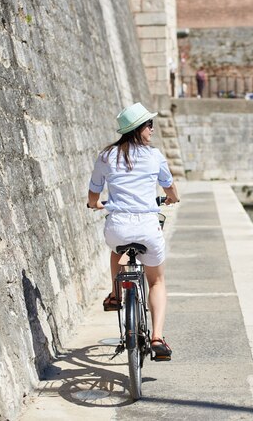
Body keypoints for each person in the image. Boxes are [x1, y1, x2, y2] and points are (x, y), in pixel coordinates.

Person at [87, 102, 180, 361]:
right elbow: (170, 188)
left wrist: (95, 204)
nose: (152, 129)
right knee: (157, 281)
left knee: (117, 251)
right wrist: (172, 198)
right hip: (147, 228)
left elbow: (94, 191)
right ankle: (157, 337)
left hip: (117, 228)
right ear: (139, 128)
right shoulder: (154, 156)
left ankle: (116, 294)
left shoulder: (106, 156)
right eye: (149, 124)